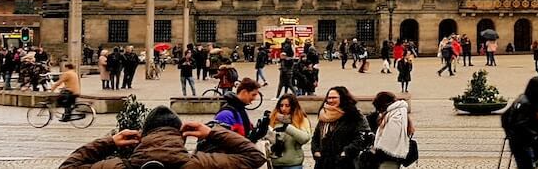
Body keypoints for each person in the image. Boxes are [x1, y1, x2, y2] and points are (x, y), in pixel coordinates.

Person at [59, 106, 267, 169]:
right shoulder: (202, 165)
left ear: (141, 137)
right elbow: (254, 157)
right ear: (182, 137)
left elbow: (68, 167)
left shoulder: (116, 167)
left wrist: (110, 142)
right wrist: (212, 133)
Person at [502, 76, 538, 169]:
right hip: (524, 144)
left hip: (521, 143)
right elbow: (523, 126)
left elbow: (505, 117)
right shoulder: (526, 104)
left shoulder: (524, 99)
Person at [311, 86, 369, 169]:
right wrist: (316, 151)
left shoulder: (354, 115)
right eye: (329, 98)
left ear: (343, 98)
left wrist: (346, 152)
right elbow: (316, 136)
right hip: (323, 162)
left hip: (345, 163)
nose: (330, 100)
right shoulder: (324, 115)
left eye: (334, 98)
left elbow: (364, 136)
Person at [362, 91, 414, 169]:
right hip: (390, 156)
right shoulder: (396, 112)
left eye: (379, 108)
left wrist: (377, 150)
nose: (379, 111)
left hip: (390, 157)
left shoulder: (396, 116)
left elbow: (390, 140)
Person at [270, 93, 312, 169]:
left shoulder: (300, 119)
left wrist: (287, 128)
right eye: (281, 105)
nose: (283, 108)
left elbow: (305, 138)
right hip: (275, 162)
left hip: (293, 163)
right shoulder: (273, 118)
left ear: (293, 106)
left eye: (287, 106)